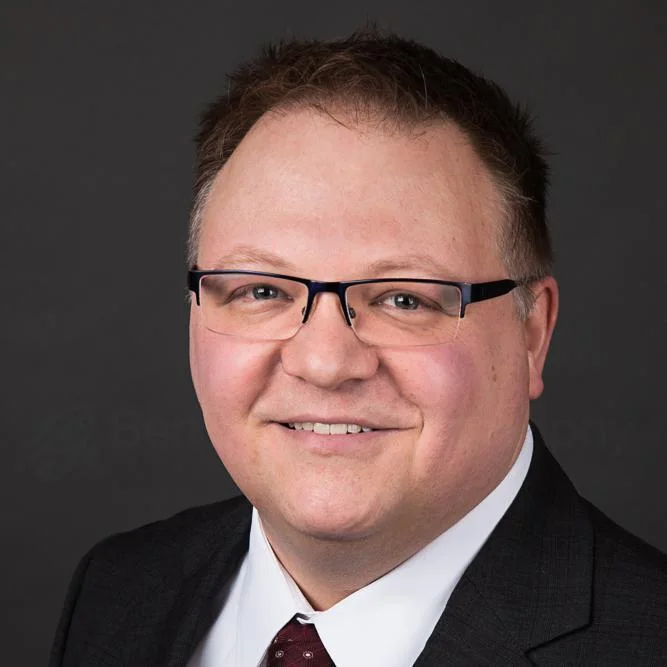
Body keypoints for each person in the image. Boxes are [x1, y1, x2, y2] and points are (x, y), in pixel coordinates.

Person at [51, 30, 666, 666]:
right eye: (262, 290)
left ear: (532, 334)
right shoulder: (117, 594)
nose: (324, 363)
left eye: (404, 299)